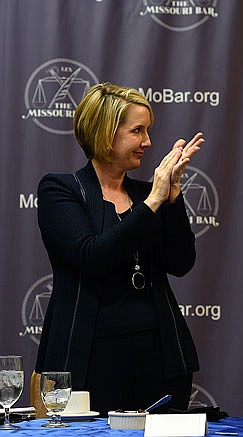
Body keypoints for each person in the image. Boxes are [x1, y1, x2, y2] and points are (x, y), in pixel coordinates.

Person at [35, 82, 205, 415]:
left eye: (148, 130)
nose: (148, 142)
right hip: (89, 363)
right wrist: (154, 200)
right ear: (104, 133)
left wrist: (171, 200)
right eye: (137, 131)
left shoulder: (149, 194)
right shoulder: (61, 190)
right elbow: (92, 256)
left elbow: (181, 262)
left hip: (161, 361)